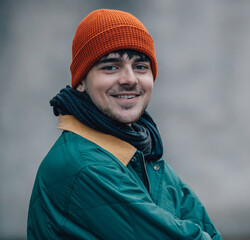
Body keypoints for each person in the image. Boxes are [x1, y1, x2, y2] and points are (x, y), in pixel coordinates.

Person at [27, 9, 222, 240]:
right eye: (110, 67)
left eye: (140, 66)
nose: (129, 79)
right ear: (80, 81)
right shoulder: (85, 167)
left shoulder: (142, 153)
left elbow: (209, 233)